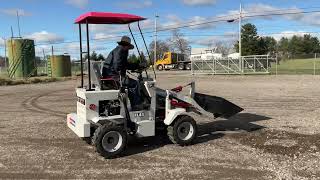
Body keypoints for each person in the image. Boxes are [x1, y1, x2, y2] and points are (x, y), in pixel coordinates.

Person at [101, 36, 145, 110]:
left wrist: (137, 65)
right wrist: (123, 76)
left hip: (111, 76)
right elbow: (117, 66)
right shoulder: (119, 52)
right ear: (125, 45)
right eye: (128, 47)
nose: (128, 49)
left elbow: (124, 64)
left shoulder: (118, 51)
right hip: (113, 77)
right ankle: (136, 105)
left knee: (131, 81)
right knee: (134, 83)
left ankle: (136, 103)